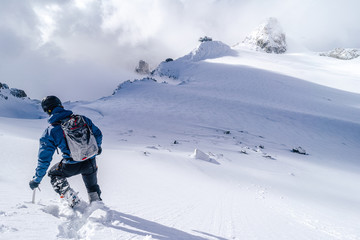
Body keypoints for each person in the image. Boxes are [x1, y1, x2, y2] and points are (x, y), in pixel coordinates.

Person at [29, 96, 103, 207]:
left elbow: (44, 159)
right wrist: (98, 147)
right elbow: (98, 134)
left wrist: (37, 179)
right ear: (60, 105)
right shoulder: (82, 119)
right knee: (92, 186)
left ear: (47, 111)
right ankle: (96, 204)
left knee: (54, 174)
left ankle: (71, 197)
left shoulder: (51, 131)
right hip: (90, 162)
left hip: (71, 165)